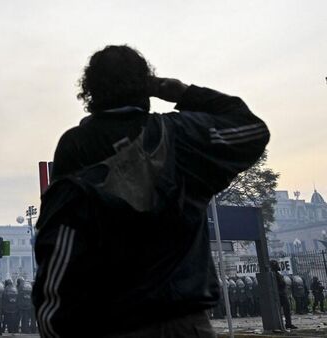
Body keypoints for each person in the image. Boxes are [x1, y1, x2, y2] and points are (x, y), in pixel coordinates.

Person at [33, 44, 270, 337]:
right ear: (146, 86)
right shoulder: (180, 135)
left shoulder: (77, 145)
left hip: (111, 322)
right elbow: (252, 129)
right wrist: (182, 93)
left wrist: (54, 325)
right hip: (185, 322)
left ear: (89, 91)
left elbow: (59, 241)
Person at [270, 260, 297, 329]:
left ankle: (288, 324)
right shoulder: (273, 275)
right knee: (280, 310)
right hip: (279, 294)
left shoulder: (276, 274)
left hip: (282, 294)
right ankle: (282, 324)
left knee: (286, 310)